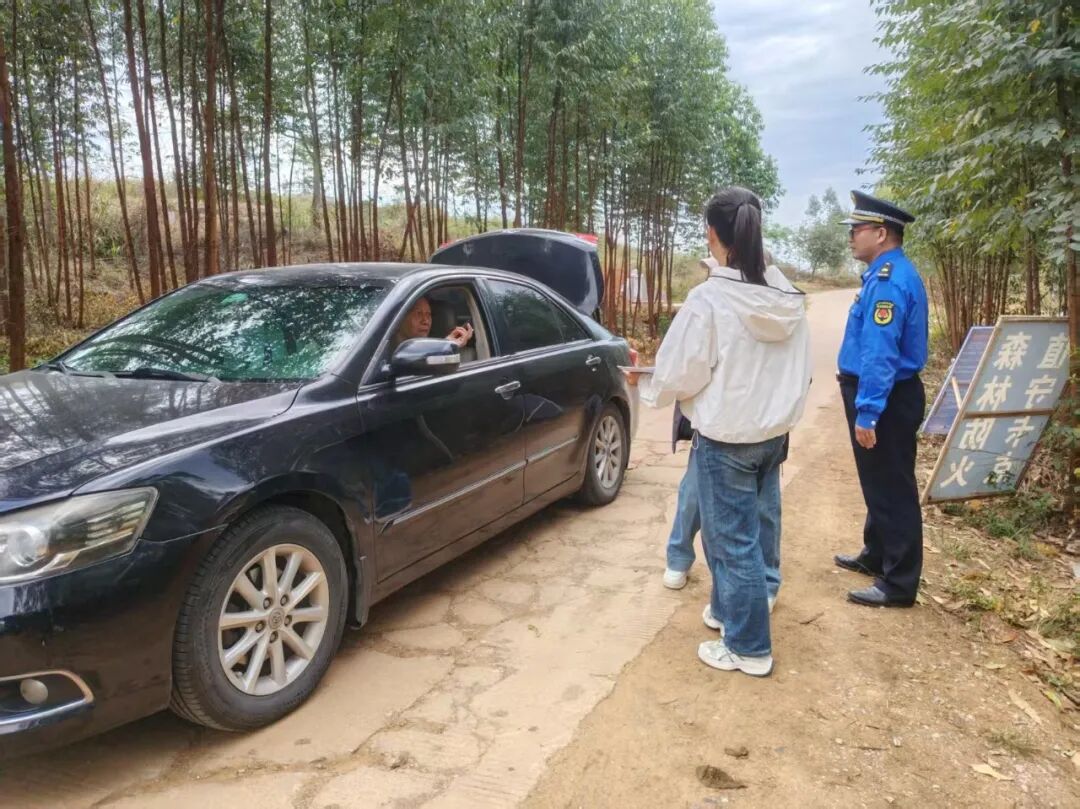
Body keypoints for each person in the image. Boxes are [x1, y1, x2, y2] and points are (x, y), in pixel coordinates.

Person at [628, 187, 811, 677]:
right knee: (751, 532)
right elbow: (800, 370)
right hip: (772, 436)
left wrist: (652, 389)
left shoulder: (710, 299)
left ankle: (748, 647)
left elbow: (681, 371)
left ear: (712, 233)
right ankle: (727, 610)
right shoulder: (786, 296)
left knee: (732, 544)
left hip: (727, 440)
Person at [834, 191, 928, 607]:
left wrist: (868, 411)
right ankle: (876, 554)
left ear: (881, 233)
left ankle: (899, 583)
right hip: (882, 392)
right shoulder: (882, 274)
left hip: (886, 396)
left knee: (892, 486)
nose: (851, 237)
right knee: (878, 480)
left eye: (857, 229)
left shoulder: (890, 281)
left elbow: (880, 353)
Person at [395, 296, 473, 349]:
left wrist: (447, 345)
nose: (425, 321)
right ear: (401, 317)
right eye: (418, 313)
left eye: (428, 314)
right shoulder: (387, 345)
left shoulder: (428, 347)